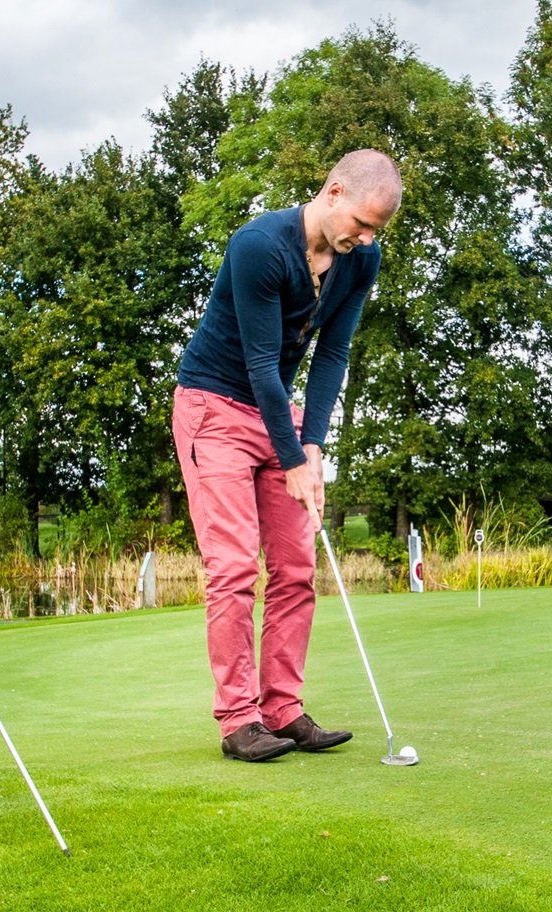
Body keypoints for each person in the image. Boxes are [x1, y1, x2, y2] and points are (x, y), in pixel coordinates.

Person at [172, 149, 402, 761]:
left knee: (297, 566)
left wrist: (313, 446)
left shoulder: (362, 259)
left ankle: (283, 709)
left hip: (278, 414)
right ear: (333, 192)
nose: (367, 237)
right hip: (214, 407)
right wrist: (293, 456)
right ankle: (239, 720)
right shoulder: (258, 246)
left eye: (377, 229)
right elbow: (259, 363)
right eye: (363, 223)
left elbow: (332, 355)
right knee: (233, 568)